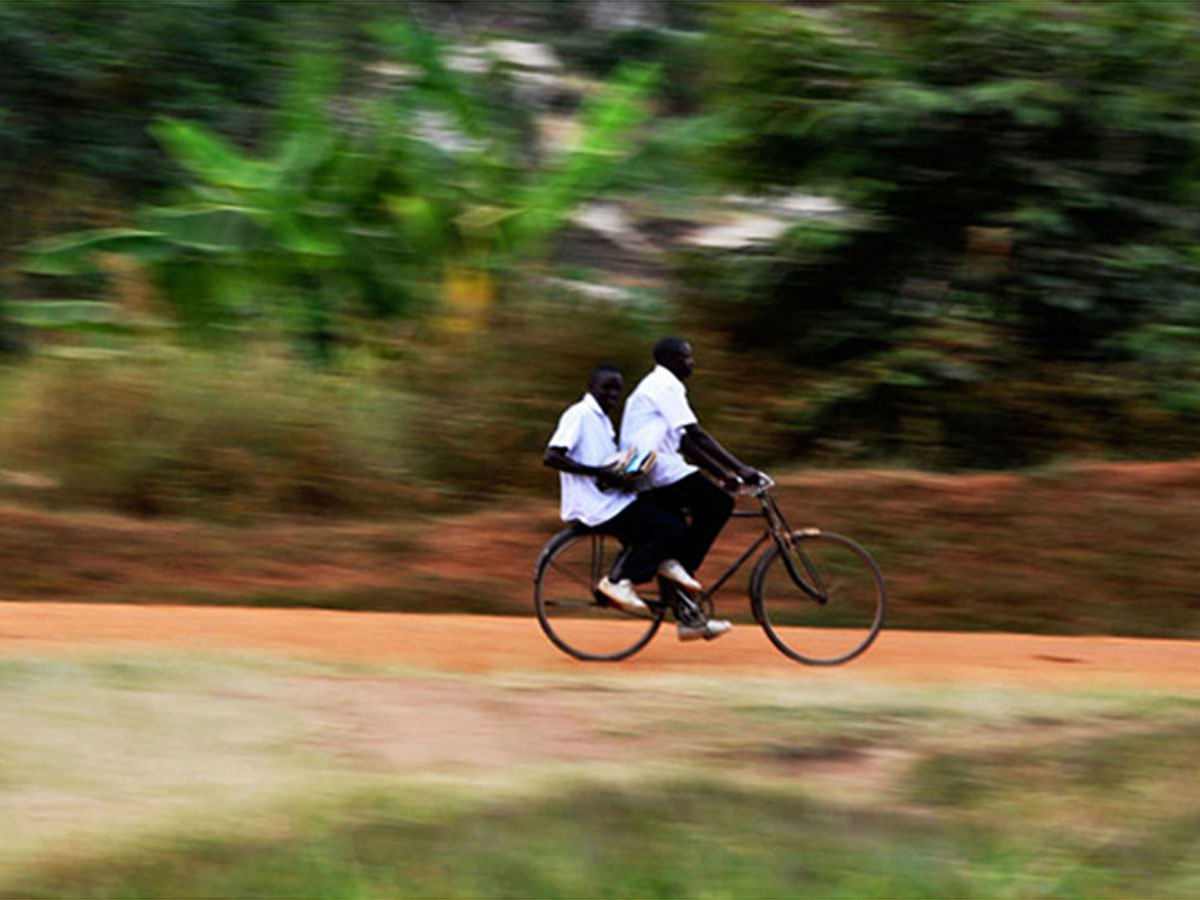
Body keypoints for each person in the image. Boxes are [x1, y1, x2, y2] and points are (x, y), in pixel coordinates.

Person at [620, 337, 762, 641]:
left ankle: (688, 618)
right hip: (657, 468)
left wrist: (723, 473)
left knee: (679, 534)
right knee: (719, 505)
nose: (691, 363)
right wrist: (741, 469)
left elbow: (684, 441)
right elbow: (697, 436)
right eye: (687, 357)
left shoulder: (657, 386)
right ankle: (677, 569)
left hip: (648, 468)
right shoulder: (667, 385)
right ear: (672, 359)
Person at [543, 363, 703, 618]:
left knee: (668, 517)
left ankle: (671, 582)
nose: (612, 394)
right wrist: (598, 473)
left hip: (609, 498)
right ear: (591, 387)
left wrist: (624, 473)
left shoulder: (603, 421)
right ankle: (618, 581)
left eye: (617, 389)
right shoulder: (580, 414)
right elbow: (552, 456)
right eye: (606, 388)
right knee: (669, 527)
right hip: (595, 505)